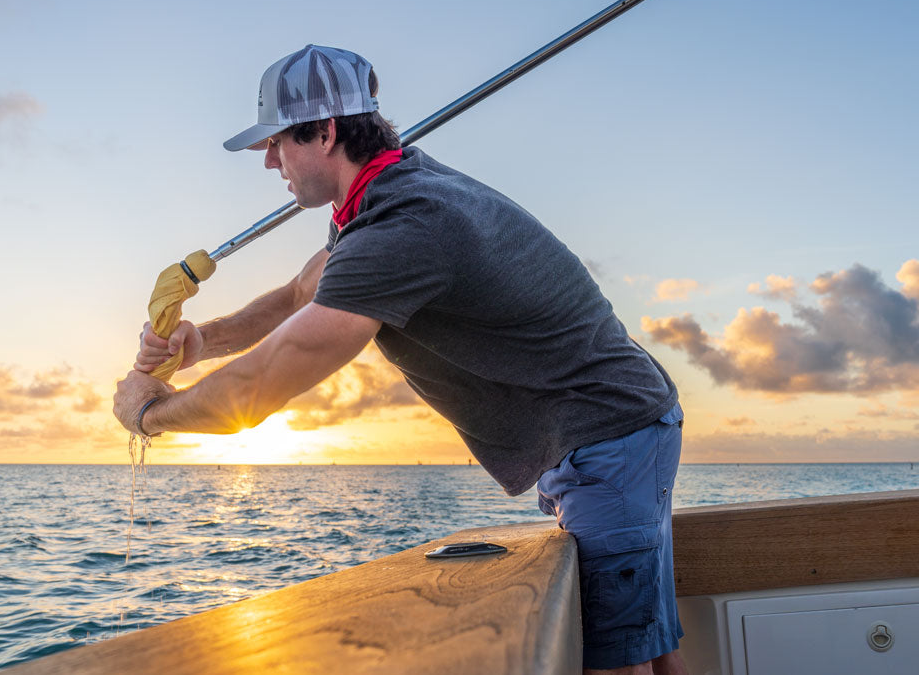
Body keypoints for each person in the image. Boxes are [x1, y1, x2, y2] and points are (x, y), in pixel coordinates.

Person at [113, 44, 686, 674]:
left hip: (607, 434)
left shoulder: (406, 225)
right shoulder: (376, 198)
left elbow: (273, 376)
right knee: (649, 648)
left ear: (325, 132)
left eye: (277, 142)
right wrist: (202, 343)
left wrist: (152, 416)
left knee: (616, 662)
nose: (269, 160)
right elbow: (299, 294)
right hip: (615, 431)